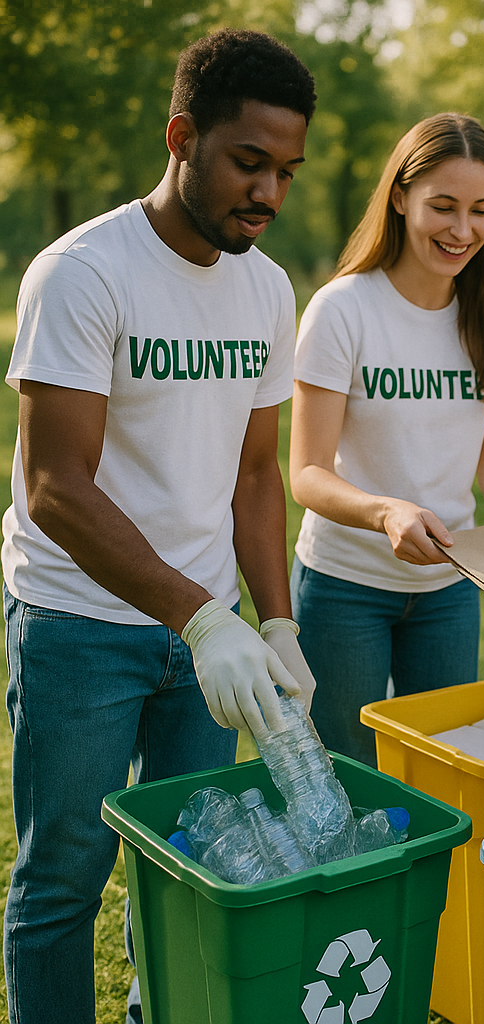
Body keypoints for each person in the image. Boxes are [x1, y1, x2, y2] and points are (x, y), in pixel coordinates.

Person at [1, 29, 319, 1024]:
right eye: (248, 162)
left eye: (286, 171)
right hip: (78, 630)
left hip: (207, 641)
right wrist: (199, 615)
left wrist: (274, 621)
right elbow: (56, 484)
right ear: (183, 135)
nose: (267, 193)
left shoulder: (267, 288)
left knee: (185, 871)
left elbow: (258, 474)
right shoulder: (84, 273)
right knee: (64, 878)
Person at [288, 112, 484, 766]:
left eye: (481, 210)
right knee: (347, 771)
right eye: (443, 206)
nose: (462, 230)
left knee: (437, 767)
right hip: (344, 586)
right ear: (400, 197)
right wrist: (386, 512)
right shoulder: (343, 308)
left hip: (449, 589)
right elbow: (306, 473)